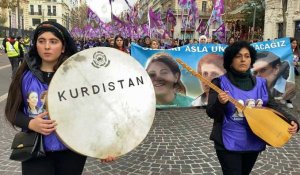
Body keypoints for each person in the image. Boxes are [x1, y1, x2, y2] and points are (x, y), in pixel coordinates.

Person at [5, 21, 115, 175]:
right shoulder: (23, 76)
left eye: (53, 41)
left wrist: (104, 145)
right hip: (35, 150)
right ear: (35, 45)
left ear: (63, 47)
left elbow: (94, 114)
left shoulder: (80, 77)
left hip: (71, 152)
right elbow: (11, 112)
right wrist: (31, 123)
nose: (47, 46)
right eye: (41, 41)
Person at [206, 41, 299, 175]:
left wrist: (291, 119)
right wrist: (220, 102)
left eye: (247, 56)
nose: (243, 59)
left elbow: (272, 105)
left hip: (254, 140)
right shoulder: (219, 82)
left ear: (251, 59)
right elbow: (211, 112)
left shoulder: (261, 83)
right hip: (228, 142)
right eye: (238, 56)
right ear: (230, 60)